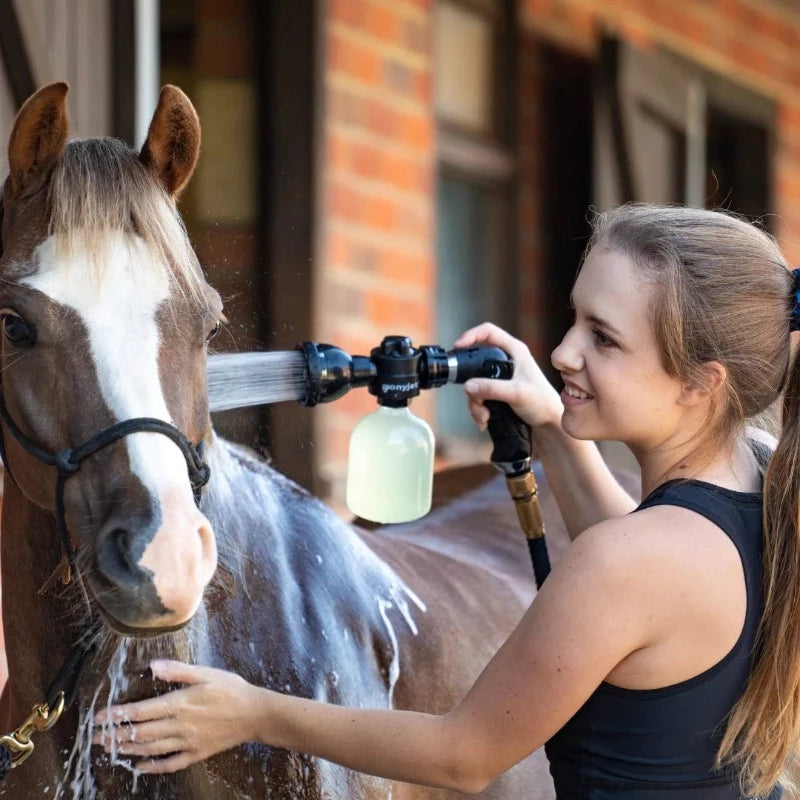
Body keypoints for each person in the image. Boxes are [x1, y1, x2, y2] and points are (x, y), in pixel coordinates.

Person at [93, 204, 796, 798]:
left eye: (604, 339)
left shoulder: (629, 561)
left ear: (701, 384)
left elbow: (465, 755)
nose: (563, 352)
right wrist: (550, 422)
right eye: (575, 318)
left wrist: (250, 713)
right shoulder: (760, 490)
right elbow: (638, 556)